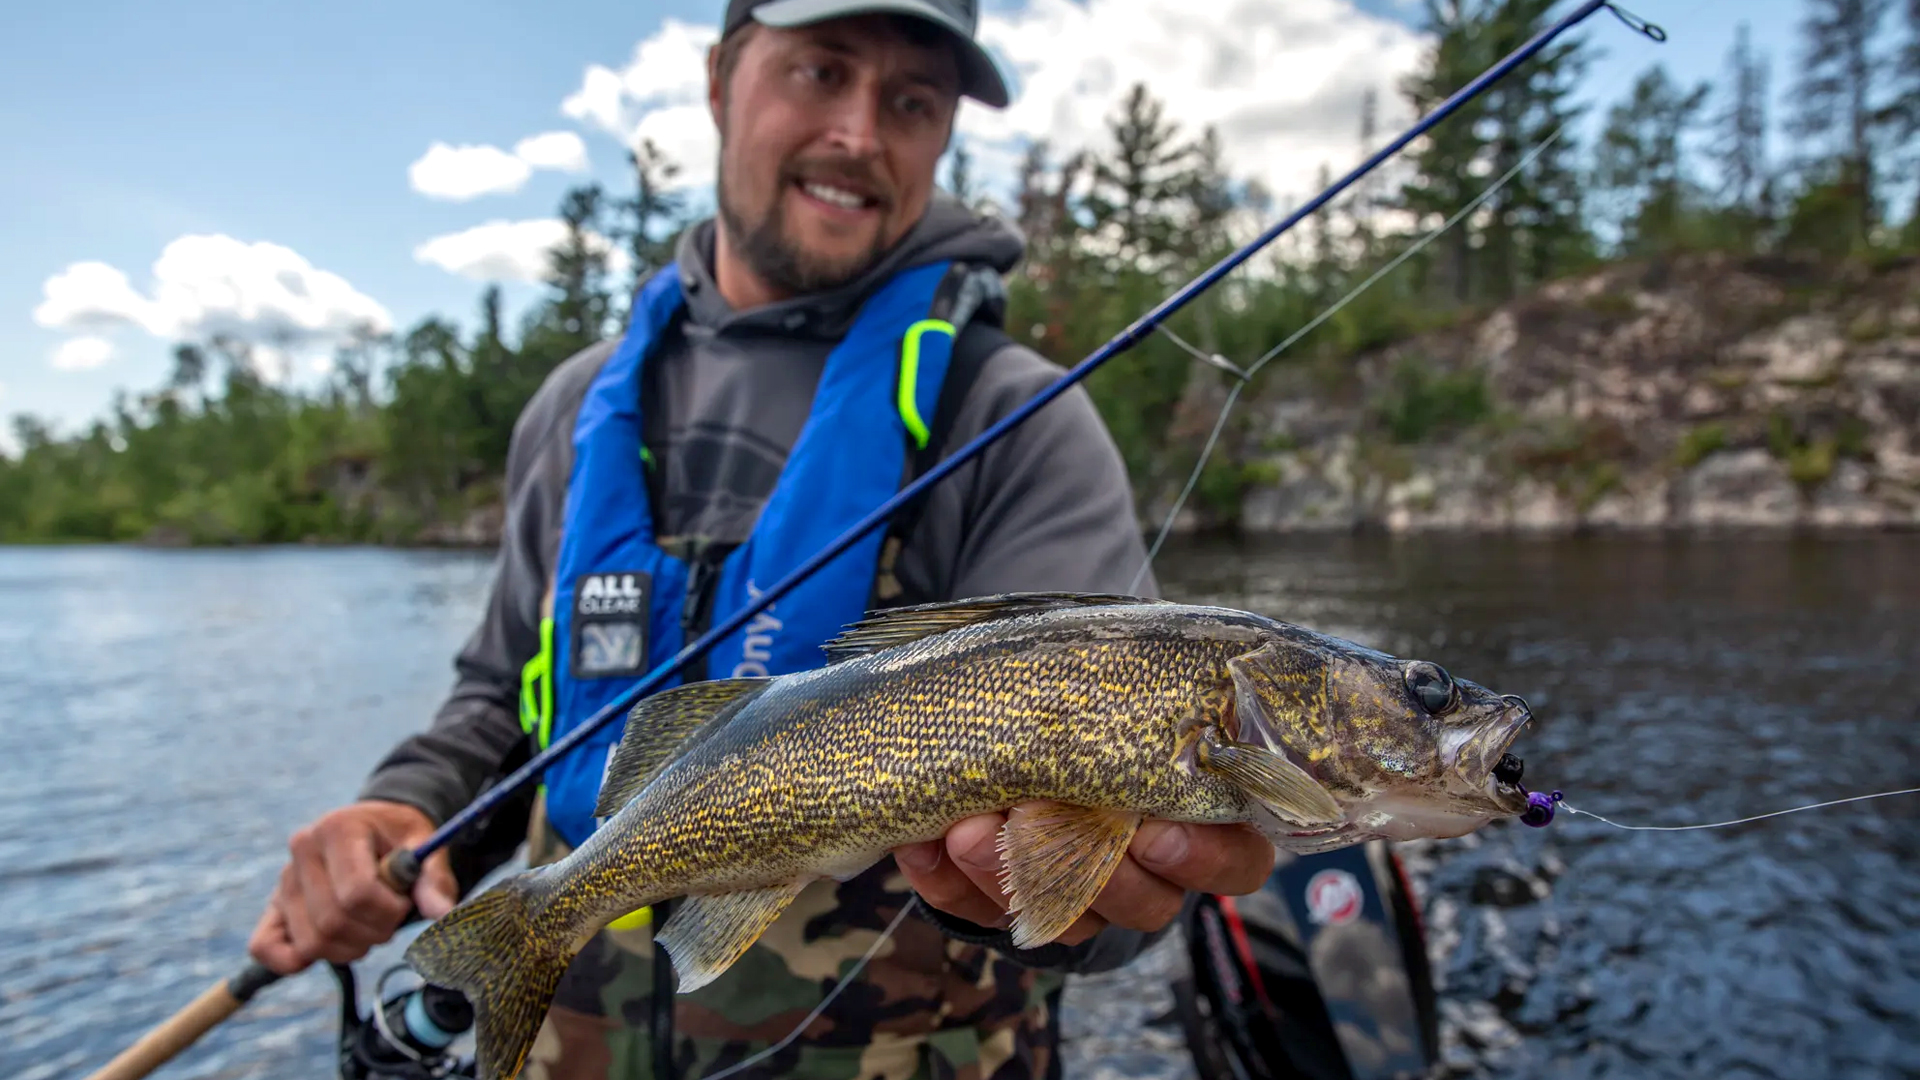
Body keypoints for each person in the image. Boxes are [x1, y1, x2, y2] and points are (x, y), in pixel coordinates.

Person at [247, 1, 1277, 1077]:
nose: (859, 133)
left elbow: (1114, 901)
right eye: (820, 72)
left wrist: (1093, 896)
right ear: (719, 81)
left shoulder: (1015, 419)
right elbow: (507, 703)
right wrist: (403, 809)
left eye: (913, 101)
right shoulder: (576, 406)